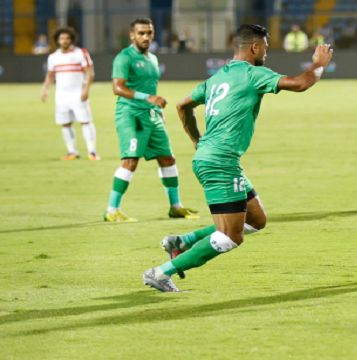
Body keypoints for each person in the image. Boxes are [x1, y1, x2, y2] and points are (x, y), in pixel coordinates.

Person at [142, 25, 334, 292]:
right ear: (254, 47)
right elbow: (301, 83)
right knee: (231, 236)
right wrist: (318, 64)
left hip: (218, 159)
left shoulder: (218, 76)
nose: (266, 52)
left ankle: (181, 242)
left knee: (256, 220)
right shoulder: (254, 74)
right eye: (265, 47)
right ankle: (160, 273)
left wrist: (198, 141)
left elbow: (182, 105)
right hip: (221, 162)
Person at [106, 18, 198, 223]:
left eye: (149, 33)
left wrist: (156, 107)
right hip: (132, 115)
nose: (146, 37)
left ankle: (175, 207)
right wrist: (147, 98)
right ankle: (112, 210)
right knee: (130, 161)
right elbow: (117, 88)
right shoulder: (124, 57)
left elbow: (150, 87)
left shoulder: (153, 59)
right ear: (132, 35)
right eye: (141, 33)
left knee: (167, 158)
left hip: (151, 115)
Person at [40, 27, 98, 161]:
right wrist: (45, 90)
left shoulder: (81, 53)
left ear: (72, 39)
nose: (64, 41)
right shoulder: (53, 57)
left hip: (78, 94)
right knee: (65, 123)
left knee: (85, 121)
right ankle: (72, 151)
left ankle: (92, 151)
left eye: (67, 38)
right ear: (57, 41)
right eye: (61, 39)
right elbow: (50, 76)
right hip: (61, 96)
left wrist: (86, 90)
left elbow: (90, 73)